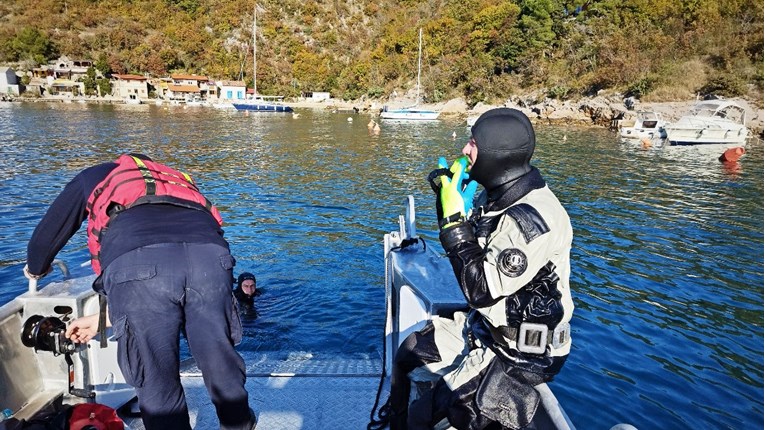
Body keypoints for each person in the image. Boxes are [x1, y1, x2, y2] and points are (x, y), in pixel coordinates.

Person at [23, 153, 255, 430]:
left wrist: (35, 269)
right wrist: (101, 320)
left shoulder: (96, 176)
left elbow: (47, 236)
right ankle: (239, 422)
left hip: (137, 265)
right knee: (217, 352)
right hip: (210, 260)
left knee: (154, 371)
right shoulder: (176, 179)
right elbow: (175, 269)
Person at [389, 108, 575, 429]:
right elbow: (472, 261)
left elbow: (481, 290)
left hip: (522, 354)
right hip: (485, 330)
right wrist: (451, 209)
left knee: (452, 414)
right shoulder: (498, 200)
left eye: (472, 143)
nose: (464, 150)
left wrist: (453, 225)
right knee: (409, 354)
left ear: (496, 154)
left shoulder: (529, 219)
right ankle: (394, 420)